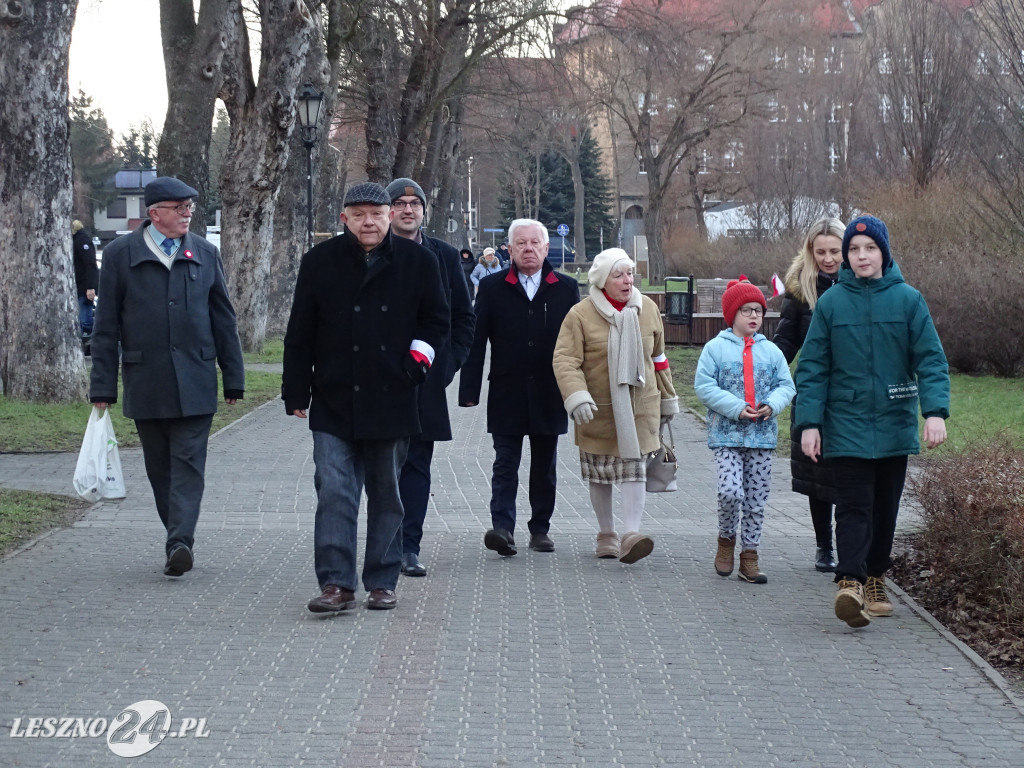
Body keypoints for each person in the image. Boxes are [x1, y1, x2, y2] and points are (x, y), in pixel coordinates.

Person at [283, 182, 449, 613]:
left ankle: (381, 579)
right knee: (335, 492)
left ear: (390, 215)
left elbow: (437, 321)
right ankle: (336, 584)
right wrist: (296, 389)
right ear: (344, 219)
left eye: (376, 213)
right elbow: (300, 331)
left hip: (392, 396)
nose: (368, 221)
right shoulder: (319, 262)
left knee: (386, 493)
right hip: (334, 398)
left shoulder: (419, 261)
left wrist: (417, 361)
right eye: (358, 214)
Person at [795, 214, 949, 628]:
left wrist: (934, 412)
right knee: (852, 506)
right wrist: (810, 423)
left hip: (894, 422)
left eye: (870, 249)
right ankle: (849, 582)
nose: (861, 256)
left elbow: (930, 360)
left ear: (883, 252)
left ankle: (876, 576)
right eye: (854, 250)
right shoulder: (831, 304)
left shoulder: (908, 301)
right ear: (846, 257)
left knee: (885, 507)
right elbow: (812, 367)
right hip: (845, 422)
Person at [89, 176, 245, 578]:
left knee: (189, 463)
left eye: (189, 207)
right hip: (147, 380)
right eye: (179, 208)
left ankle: (180, 542)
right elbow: (106, 326)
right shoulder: (122, 255)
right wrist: (103, 386)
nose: (186, 214)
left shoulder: (206, 254)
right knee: (160, 468)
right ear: (154, 213)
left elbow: (223, 319)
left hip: (196, 377)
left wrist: (234, 376)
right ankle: (176, 534)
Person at [459, 218, 580, 556]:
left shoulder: (566, 288)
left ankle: (540, 528)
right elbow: (476, 340)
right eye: (521, 244)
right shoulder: (494, 287)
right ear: (509, 250)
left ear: (546, 248)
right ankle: (502, 528)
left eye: (535, 243)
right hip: (507, 389)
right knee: (505, 463)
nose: (528, 249)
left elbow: (577, 344)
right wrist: (469, 391)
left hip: (549, 391)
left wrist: (579, 391)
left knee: (545, 465)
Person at [552, 248, 679, 563]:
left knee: (634, 470)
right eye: (619, 274)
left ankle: (630, 535)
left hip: (640, 408)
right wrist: (576, 396)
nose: (627, 280)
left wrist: (668, 397)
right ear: (602, 280)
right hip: (597, 409)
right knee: (600, 473)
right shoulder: (580, 315)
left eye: (630, 273)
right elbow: (566, 360)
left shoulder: (647, 308)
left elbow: (659, 358)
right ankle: (606, 533)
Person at [385, 177, 475, 578]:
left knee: (417, 465)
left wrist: (448, 365)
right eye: (400, 203)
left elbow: (462, 318)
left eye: (414, 203)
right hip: (378, 379)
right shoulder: (371, 250)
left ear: (424, 210)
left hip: (425, 380)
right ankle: (382, 542)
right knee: (381, 465)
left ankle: (409, 547)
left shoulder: (443, 255)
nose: (408, 209)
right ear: (388, 211)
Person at [694, 278, 795, 584]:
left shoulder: (772, 351)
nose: (753, 316)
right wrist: (735, 407)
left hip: (762, 439)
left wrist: (772, 405)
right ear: (732, 314)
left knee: (755, 500)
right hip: (726, 436)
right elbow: (704, 386)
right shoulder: (715, 348)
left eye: (759, 311)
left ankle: (749, 556)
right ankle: (726, 541)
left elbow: (786, 386)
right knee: (730, 492)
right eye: (746, 311)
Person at [772, 217, 844, 572]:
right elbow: (786, 339)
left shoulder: (862, 283)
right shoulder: (801, 289)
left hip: (850, 390)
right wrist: (762, 368)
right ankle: (823, 546)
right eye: (821, 252)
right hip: (814, 388)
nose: (829, 259)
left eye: (834, 251)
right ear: (810, 253)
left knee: (851, 471)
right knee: (818, 472)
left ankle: (851, 542)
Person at [72, 219, 99, 354]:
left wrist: (90, 287)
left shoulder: (81, 240)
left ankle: (95, 339)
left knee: (85, 321)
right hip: (80, 285)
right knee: (83, 318)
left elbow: (90, 264)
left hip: (84, 285)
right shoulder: (79, 239)